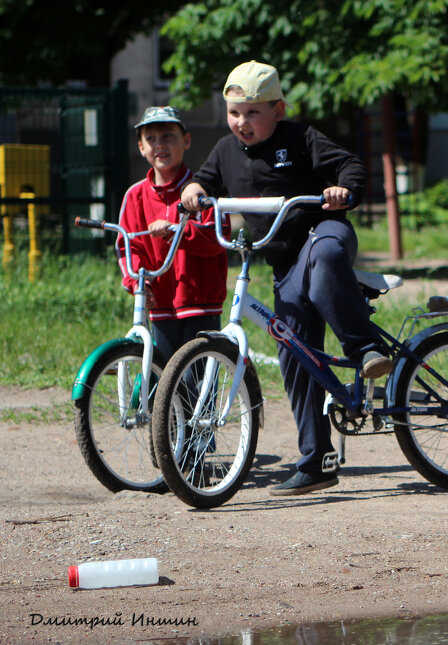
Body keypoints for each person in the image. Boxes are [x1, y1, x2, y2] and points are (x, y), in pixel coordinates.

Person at [181, 60, 393, 497]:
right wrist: (193, 193)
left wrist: (341, 191)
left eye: (253, 112)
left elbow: (350, 166)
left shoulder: (301, 139)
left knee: (325, 258)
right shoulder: (224, 151)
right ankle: (315, 461)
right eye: (234, 112)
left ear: (278, 109)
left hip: (322, 234)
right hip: (283, 263)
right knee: (294, 353)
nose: (242, 122)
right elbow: (203, 181)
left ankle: (366, 348)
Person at [119, 106, 227, 364]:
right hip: (161, 305)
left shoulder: (202, 190)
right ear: (141, 148)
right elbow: (128, 246)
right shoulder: (135, 196)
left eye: (168, 136)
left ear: (186, 141)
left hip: (201, 304)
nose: (159, 145)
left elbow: (216, 240)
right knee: (162, 378)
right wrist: (138, 283)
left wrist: (176, 231)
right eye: (151, 139)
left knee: (196, 384)